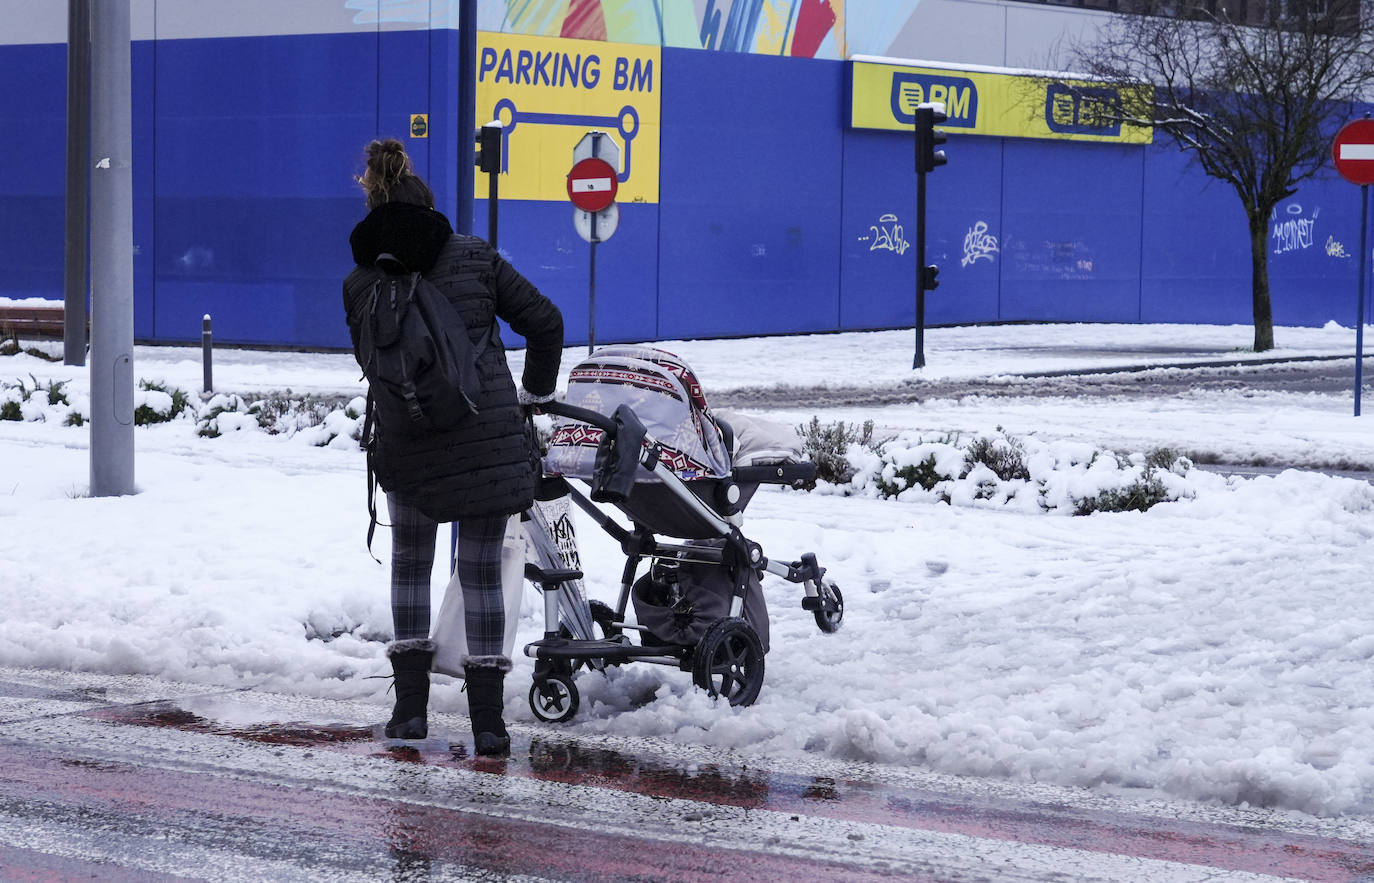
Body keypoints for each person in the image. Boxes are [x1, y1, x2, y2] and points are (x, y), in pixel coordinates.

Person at [342, 138, 563, 756]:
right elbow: (545, 321)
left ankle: (410, 710)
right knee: (482, 572)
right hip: (486, 439)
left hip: (407, 441)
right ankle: (488, 722)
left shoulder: (359, 281)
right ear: (427, 204)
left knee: (411, 563)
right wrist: (535, 394)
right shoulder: (473, 256)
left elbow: (371, 361)